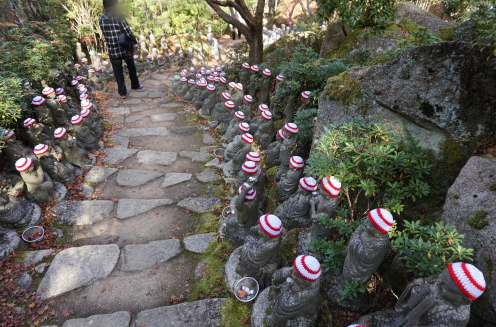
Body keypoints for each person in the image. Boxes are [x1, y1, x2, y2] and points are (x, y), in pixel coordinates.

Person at [99, 0, 143, 98]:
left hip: (112, 49)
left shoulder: (101, 18)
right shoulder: (118, 16)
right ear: (113, 6)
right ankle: (135, 85)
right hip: (124, 48)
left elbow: (105, 34)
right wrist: (135, 42)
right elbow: (128, 32)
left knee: (118, 71)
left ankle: (122, 93)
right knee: (131, 66)